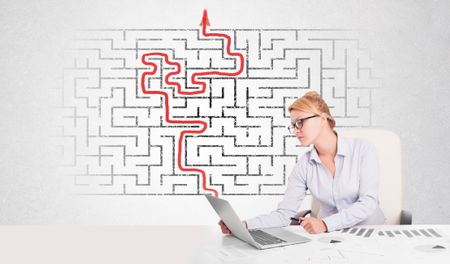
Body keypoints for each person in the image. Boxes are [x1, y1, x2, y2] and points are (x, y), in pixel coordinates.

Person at [219, 91, 386, 235]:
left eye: (300, 122)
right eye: (293, 125)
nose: (296, 130)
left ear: (322, 119)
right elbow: (284, 214)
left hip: (370, 234)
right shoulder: (305, 164)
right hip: (331, 239)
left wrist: (325, 224)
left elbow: (368, 203)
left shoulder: (362, 149)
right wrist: (244, 225)